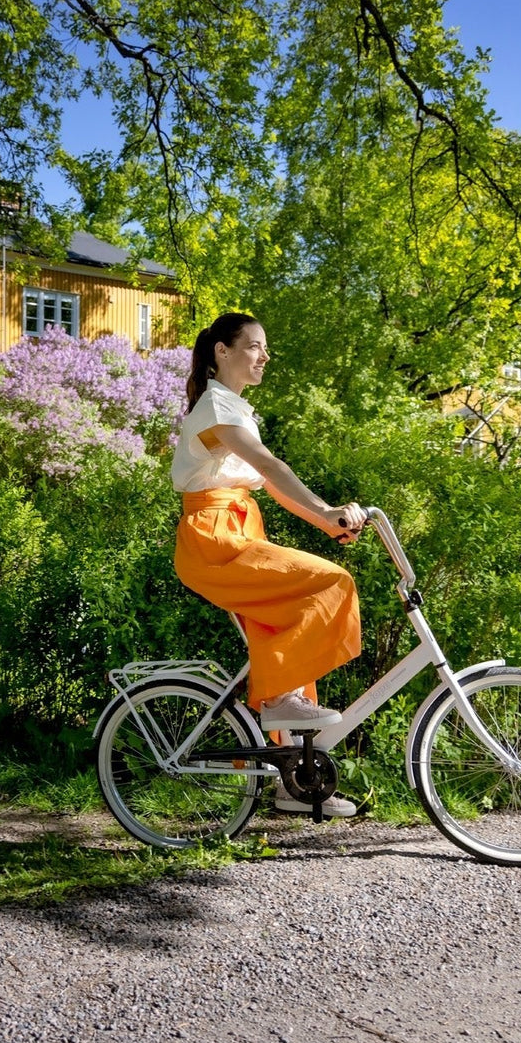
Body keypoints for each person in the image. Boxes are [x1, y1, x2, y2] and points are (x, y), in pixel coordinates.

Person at [170, 312, 365, 817]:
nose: (264, 355)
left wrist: (328, 523)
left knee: (281, 634)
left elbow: (272, 485)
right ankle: (275, 696)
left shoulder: (234, 408)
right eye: (254, 346)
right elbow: (270, 466)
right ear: (222, 352)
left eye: (265, 349)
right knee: (330, 582)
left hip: (236, 529)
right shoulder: (216, 406)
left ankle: (294, 784)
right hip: (214, 535)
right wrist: (325, 510)